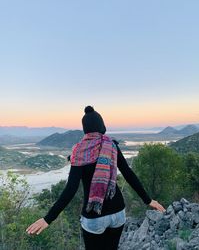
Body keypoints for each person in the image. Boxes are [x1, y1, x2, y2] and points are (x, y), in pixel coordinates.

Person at [26, 106, 165, 250]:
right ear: (101, 125)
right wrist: (148, 200)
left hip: (94, 216)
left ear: (85, 129)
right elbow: (128, 174)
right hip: (118, 212)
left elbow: (71, 189)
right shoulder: (111, 146)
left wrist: (48, 218)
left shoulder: (79, 152)